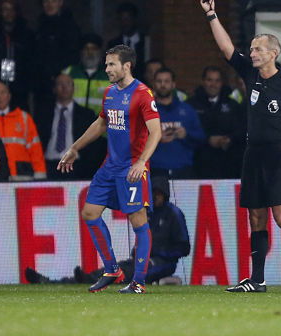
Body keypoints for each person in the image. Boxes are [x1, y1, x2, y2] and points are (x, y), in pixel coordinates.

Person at [201, 0, 281, 293]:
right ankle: (258, 280)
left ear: (273, 53)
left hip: (280, 155)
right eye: (252, 49)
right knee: (256, 217)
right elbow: (226, 47)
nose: (251, 53)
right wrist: (211, 13)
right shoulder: (250, 76)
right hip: (253, 154)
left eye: (257, 49)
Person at [57, 44, 161, 294]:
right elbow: (101, 123)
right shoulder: (110, 93)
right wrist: (74, 148)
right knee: (90, 213)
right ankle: (112, 269)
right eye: (106, 64)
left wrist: (140, 162)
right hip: (109, 166)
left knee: (138, 222)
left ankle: (138, 281)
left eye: (111, 64)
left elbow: (155, 132)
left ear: (127, 66)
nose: (107, 69)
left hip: (132, 168)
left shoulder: (143, 94)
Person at [24, 175, 190, 285]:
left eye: (158, 194)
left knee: (130, 269)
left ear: (165, 194)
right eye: (152, 193)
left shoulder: (173, 214)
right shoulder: (149, 212)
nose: (154, 197)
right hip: (143, 258)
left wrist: (158, 252)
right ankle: (58, 282)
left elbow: (184, 248)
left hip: (164, 263)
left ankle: (87, 279)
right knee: (120, 267)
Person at [34, 72, 105, 180]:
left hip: (76, 166)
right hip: (49, 165)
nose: (64, 87)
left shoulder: (86, 115)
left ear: (73, 88)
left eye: (68, 84)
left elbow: (94, 145)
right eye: (60, 84)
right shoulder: (43, 113)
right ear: (54, 89)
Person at [188, 66, 245, 179]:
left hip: (228, 164)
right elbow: (188, 132)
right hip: (199, 164)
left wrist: (229, 138)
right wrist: (208, 139)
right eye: (209, 80)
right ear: (203, 81)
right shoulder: (191, 105)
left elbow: (241, 129)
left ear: (222, 83)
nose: (213, 84)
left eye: (217, 80)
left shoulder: (232, 105)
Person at [0, 81, 47, 181]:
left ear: (9, 95)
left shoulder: (24, 118)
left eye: (3, 92)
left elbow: (35, 150)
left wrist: (40, 178)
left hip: (22, 177)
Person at [151, 68, 205, 179]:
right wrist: (155, 138)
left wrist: (186, 135)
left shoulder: (188, 110)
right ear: (154, 84)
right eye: (159, 81)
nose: (163, 85)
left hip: (183, 171)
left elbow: (201, 138)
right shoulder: (147, 111)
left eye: (166, 81)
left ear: (173, 84)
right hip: (156, 171)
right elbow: (134, 141)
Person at [33, 0, 81, 98]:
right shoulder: (38, 27)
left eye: (53, 1)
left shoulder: (70, 27)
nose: (50, 5)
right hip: (41, 86)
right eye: (46, 1)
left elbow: (73, 56)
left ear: (61, 3)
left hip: (62, 84)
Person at [62, 33, 111, 116]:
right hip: (73, 123)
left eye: (94, 49)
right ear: (81, 52)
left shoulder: (110, 76)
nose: (90, 53)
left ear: (100, 52)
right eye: (86, 49)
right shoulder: (68, 73)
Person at [108, 3, 146, 80]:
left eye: (128, 19)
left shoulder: (146, 42)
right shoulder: (113, 44)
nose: (125, 23)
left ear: (135, 20)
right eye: (122, 20)